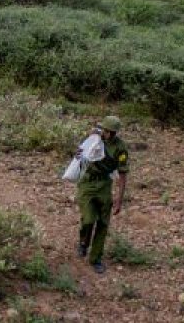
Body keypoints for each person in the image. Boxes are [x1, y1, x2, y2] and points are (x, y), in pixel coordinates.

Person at [76, 115, 129, 274]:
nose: (109, 135)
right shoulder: (93, 138)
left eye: (113, 132)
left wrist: (119, 200)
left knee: (103, 223)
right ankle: (83, 242)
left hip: (104, 184)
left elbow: (122, 174)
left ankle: (96, 258)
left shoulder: (120, 148)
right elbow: (78, 154)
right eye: (107, 131)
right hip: (88, 183)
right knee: (88, 219)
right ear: (103, 129)